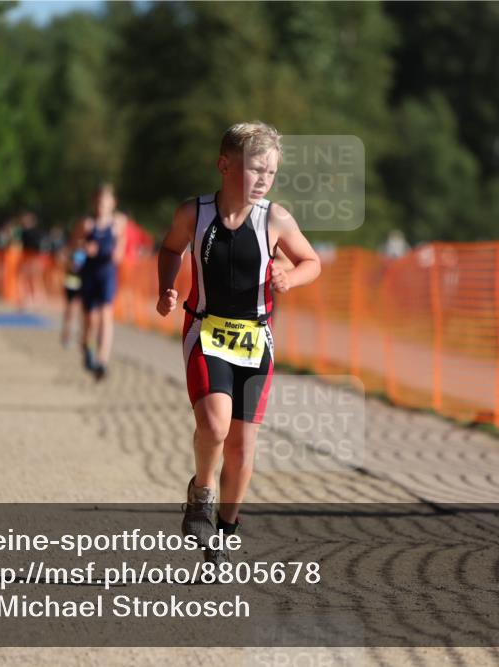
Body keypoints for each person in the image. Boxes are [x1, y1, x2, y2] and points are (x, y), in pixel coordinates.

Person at [155, 121, 321, 562]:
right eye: (255, 170)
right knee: (214, 426)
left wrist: (292, 275)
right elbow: (171, 249)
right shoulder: (194, 214)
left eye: (270, 173)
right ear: (224, 166)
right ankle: (201, 495)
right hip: (206, 332)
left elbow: (312, 261)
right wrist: (167, 288)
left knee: (243, 445)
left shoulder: (276, 219)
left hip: (256, 340)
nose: (264, 180)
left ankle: (225, 536)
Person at [80, 184, 127, 380]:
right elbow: (73, 246)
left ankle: (102, 360)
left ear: (112, 203)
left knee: (106, 314)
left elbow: (121, 249)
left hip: (107, 272)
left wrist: (118, 252)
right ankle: (87, 347)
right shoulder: (86, 224)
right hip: (89, 273)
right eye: (98, 201)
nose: (101, 205)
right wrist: (84, 247)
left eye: (105, 201)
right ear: (93, 202)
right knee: (91, 318)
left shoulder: (119, 222)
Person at [60, 218, 93, 348]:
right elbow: (63, 259)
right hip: (72, 281)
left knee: (85, 311)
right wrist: (69, 264)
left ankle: (83, 337)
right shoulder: (71, 247)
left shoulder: (88, 247)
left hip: (85, 281)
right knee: (71, 308)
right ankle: (67, 334)